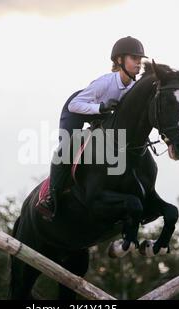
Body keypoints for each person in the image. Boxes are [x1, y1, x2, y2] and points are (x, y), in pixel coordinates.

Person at [36, 36, 147, 220]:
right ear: (120, 60)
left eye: (140, 59)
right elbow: (75, 105)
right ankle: (50, 197)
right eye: (134, 58)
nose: (139, 63)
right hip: (77, 111)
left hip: (103, 116)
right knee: (65, 151)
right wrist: (100, 108)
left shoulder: (134, 88)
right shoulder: (105, 82)